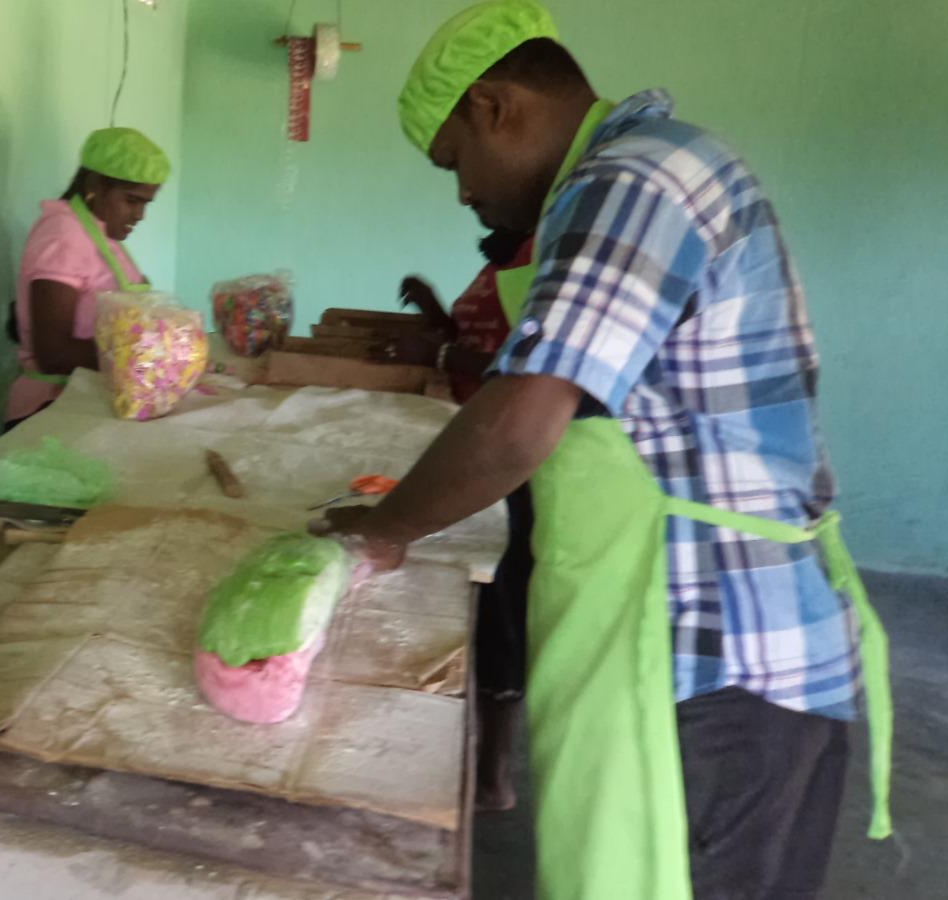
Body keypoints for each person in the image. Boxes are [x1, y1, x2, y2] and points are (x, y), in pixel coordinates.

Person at [317, 2, 892, 897]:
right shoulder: (658, 167)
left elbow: (522, 418)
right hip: (730, 650)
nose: (462, 192)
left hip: (712, 661)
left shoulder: (631, 181)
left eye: (453, 162)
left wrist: (385, 530)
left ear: (493, 106)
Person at [379, 228, 537, 811]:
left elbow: (523, 371)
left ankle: (493, 776)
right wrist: (435, 312)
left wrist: (442, 355)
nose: (468, 201)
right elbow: (485, 338)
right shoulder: (506, 259)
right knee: (483, 598)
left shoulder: (539, 250)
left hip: (508, 460)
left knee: (501, 606)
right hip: (480, 437)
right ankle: (469, 754)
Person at [4, 127, 170, 429]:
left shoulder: (102, 236)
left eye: (146, 203)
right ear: (95, 184)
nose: (140, 215)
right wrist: (149, 354)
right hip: (50, 409)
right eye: (132, 200)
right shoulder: (63, 234)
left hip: (87, 401)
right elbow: (53, 353)